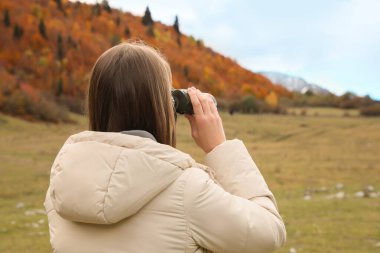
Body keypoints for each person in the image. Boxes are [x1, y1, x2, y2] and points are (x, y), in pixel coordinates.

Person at [44, 42, 286, 253]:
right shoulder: (187, 190)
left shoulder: (63, 184)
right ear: (162, 106)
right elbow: (269, 232)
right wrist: (219, 148)